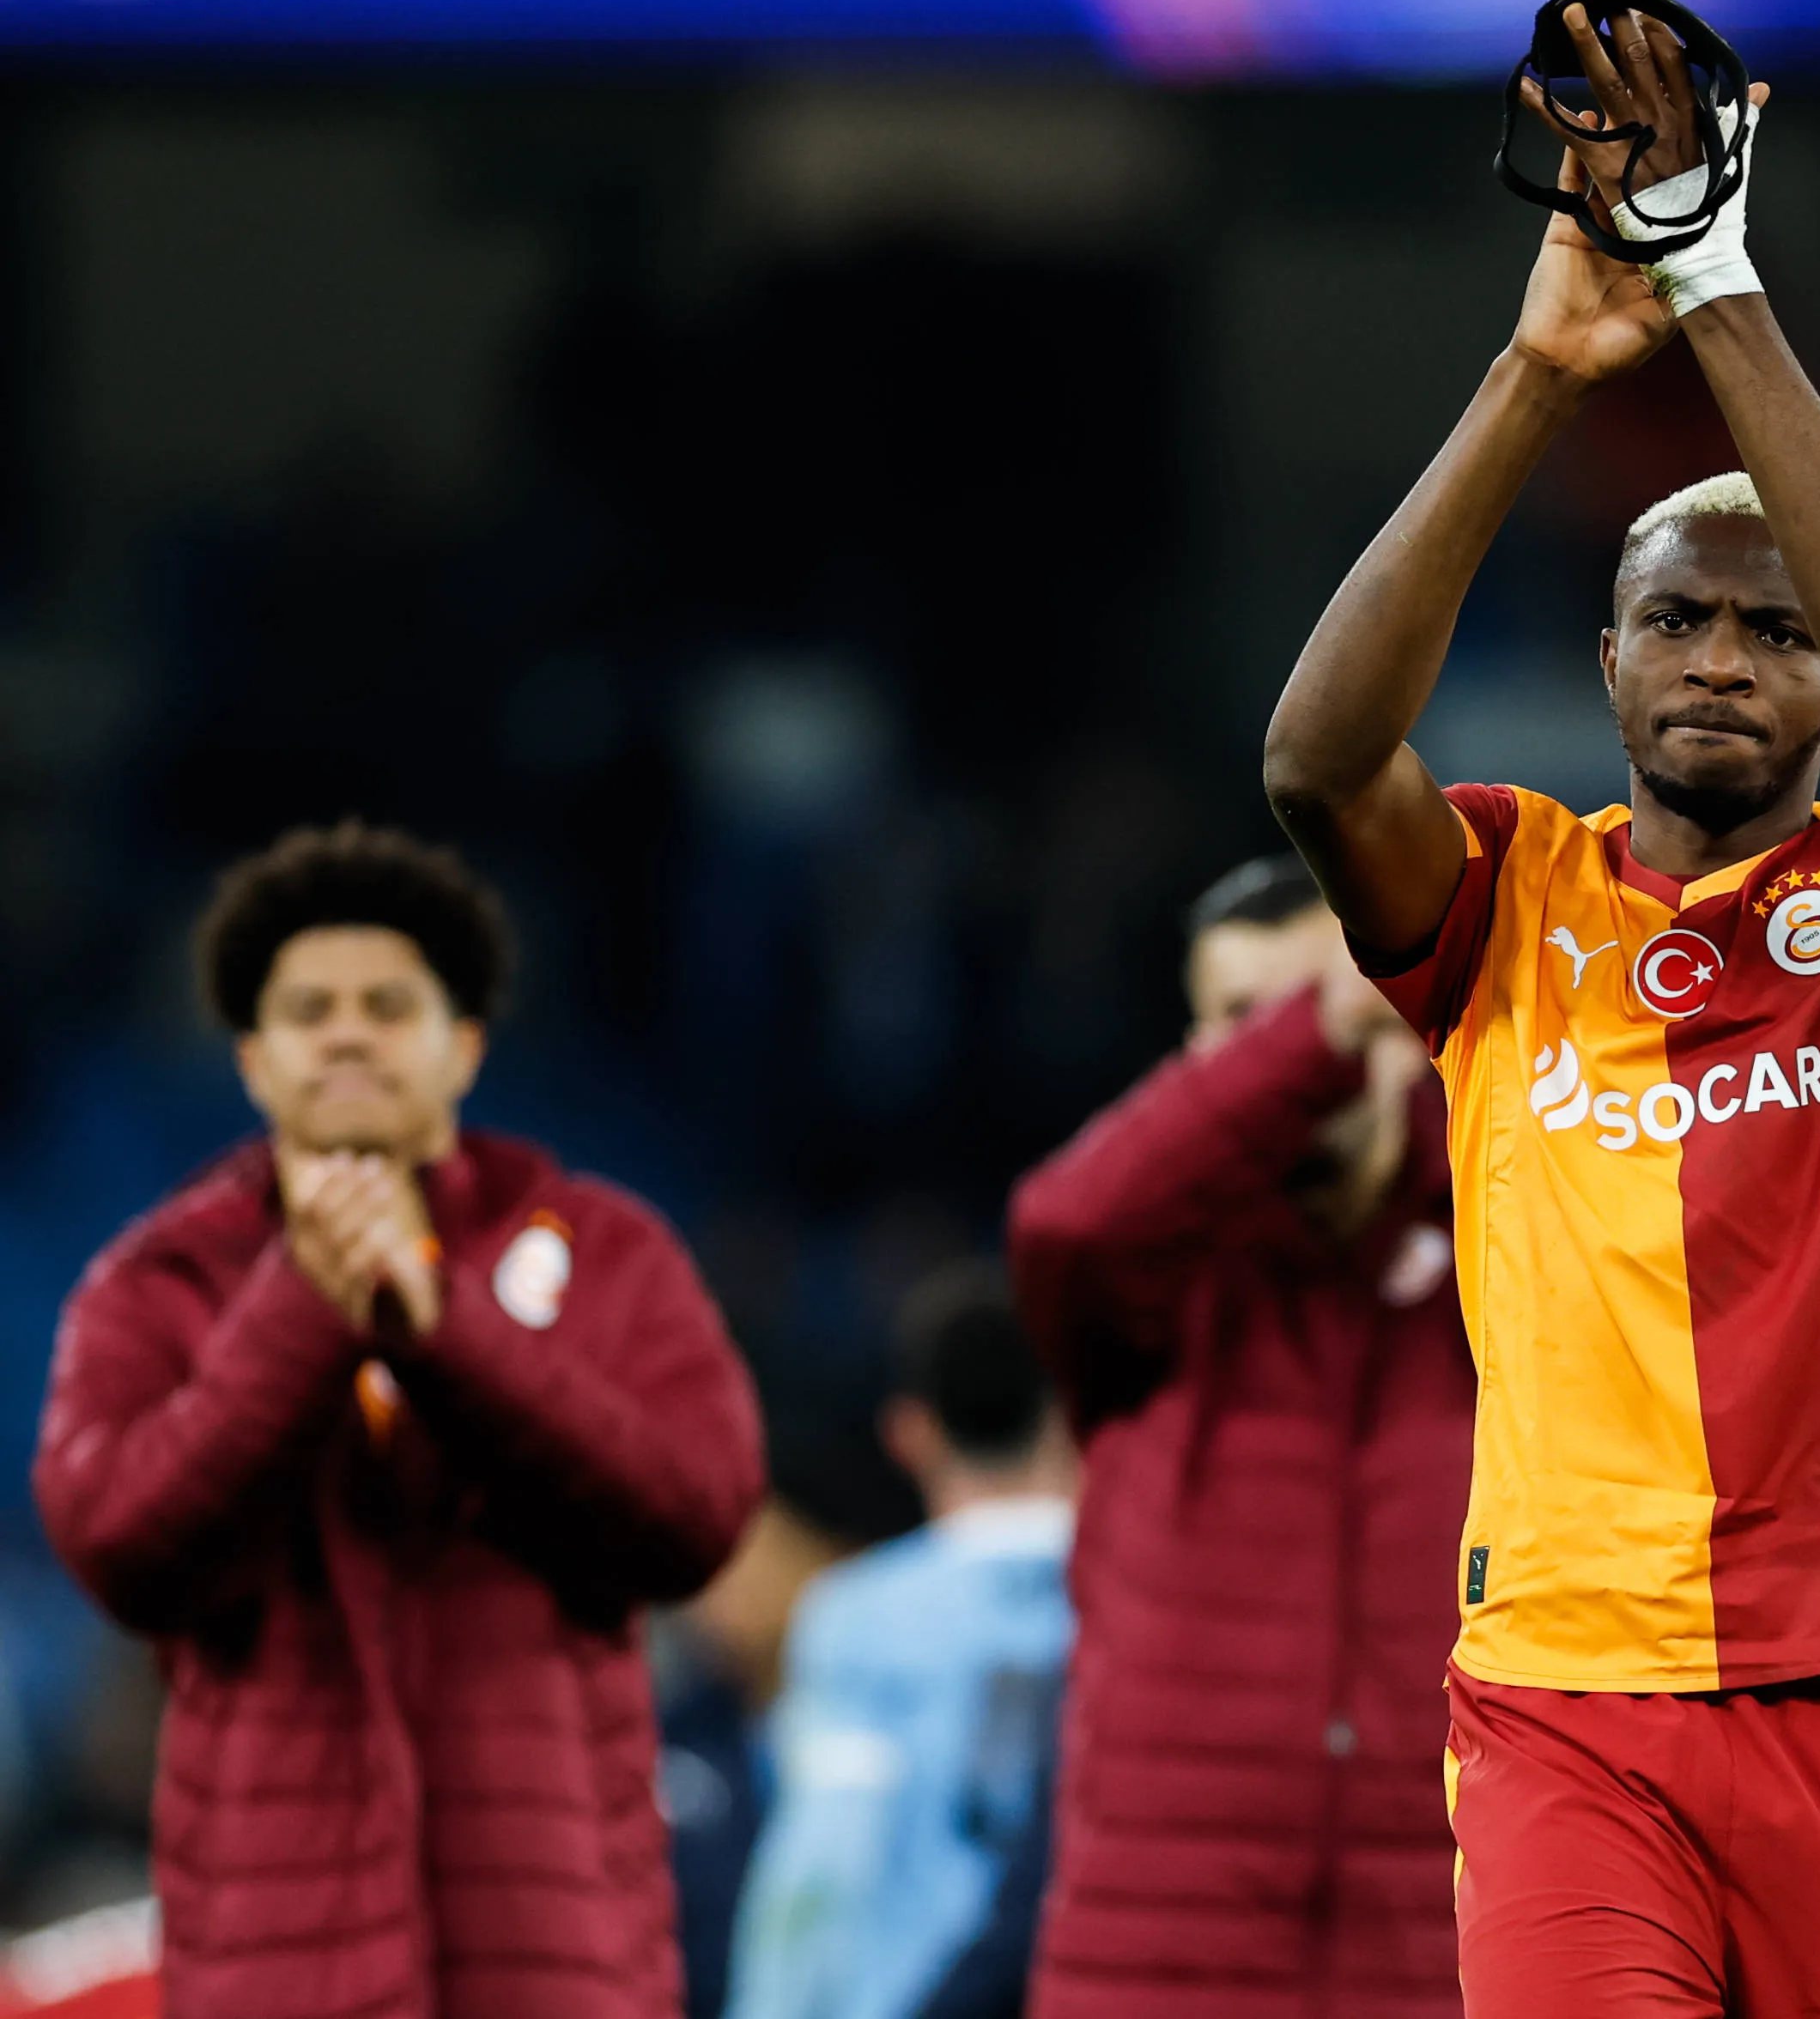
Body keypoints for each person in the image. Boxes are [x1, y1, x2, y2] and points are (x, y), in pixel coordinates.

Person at [1261, 0, 1820, 2019]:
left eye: (1767, 628)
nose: (1717, 653)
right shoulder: (1511, 885)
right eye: (1672, 620)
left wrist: (1716, 287)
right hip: (1564, 1688)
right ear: (1607, 665)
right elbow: (1317, 762)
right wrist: (1539, 368)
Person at [32, 820, 766, 2019]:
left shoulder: (607, 1253)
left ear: (464, 1045)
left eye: (390, 1003)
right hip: (278, 1952)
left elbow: (695, 1515)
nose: (351, 1035)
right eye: (309, 1010)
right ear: (254, 1059)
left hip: (559, 1943)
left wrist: (444, 1331)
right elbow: (121, 1547)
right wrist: (302, 1309)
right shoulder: (160, 1282)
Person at [1006, 854, 1470, 2019]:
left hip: (1428, 1953)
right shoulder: (1140, 1283)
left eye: (1329, 1004)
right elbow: (1061, 1227)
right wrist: (1318, 1030)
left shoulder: (1501, 1251)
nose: (1291, 1046)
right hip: (1158, 1956)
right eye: (1237, 1022)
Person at [726, 1260, 1076, 2019]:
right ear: (1071, 1416)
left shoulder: (859, 1617)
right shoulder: (1135, 1607)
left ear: (909, 1432)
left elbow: (822, 1864)